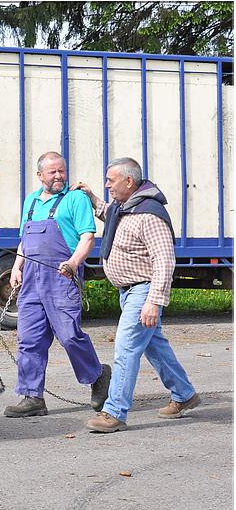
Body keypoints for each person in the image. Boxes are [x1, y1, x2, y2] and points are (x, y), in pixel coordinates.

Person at [73, 157, 200, 432]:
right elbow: (113, 216)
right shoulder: (126, 206)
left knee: (126, 347)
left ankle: (114, 412)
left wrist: (154, 301)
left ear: (129, 182)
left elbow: (164, 260)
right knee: (155, 347)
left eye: (111, 181)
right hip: (127, 291)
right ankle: (184, 394)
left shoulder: (150, 214)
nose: (107, 185)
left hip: (143, 291)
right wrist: (92, 197)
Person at [4, 151, 111, 418]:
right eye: (52, 172)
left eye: (62, 171)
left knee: (69, 335)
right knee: (29, 340)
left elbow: (88, 237)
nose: (59, 176)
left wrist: (73, 263)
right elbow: (24, 242)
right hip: (30, 280)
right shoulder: (30, 201)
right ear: (39, 175)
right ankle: (32, 397)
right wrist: (16, 268)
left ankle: (97, 375)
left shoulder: (75, 198)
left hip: (62, 278)